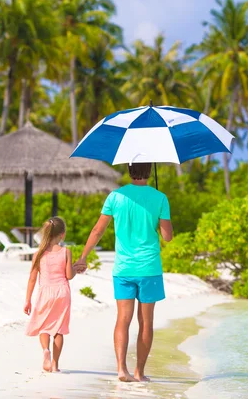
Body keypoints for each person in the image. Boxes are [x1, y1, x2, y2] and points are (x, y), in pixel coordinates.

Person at [74, 163, 173, 383]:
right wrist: (158, 218)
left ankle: (121, 369)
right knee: (146, 323)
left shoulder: (115, 196)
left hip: (123, 269)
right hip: (149, 269)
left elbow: (98, 230)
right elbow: (167, 237)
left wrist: (83, 257)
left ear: (129, 171)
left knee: (123, 319)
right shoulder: (160, 198)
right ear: (149, 171)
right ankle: (139, 372)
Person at [24, 216, 75, 373]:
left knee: (44, 326)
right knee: (59, 329)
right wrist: (77, 268)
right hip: (62, 292)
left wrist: (27, 301)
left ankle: (46, 350)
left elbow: (32, 279)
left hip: (45, 292)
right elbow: (69, 275)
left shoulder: (38, 254)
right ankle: (55, 364)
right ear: (63, 234)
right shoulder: (66, 252)